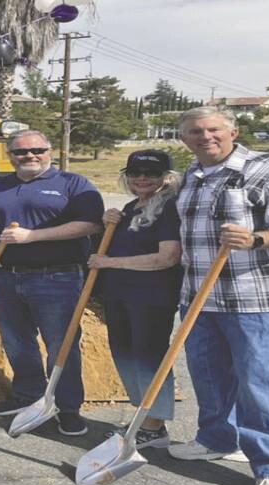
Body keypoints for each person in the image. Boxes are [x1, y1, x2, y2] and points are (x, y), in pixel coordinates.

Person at [168, 107, 269, 485]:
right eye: (195, 132)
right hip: (200, 298)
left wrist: (256, 239)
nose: (206, 136)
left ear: (233, 131)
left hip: (257, 298)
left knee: (262, 384)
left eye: (214, 129)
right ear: (184, 139)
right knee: (209, 376)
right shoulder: (192, 175)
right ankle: (218, 440)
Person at [0, 129, 104, 436]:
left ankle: (67, 407)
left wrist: (32, 236)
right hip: (6, 277)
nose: (29, 156)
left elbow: (90, 224)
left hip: (58, 276)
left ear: (49, 151)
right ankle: (28, 394)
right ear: (9, 155)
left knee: (61, 344)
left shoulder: (72, 184)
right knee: (16, 340)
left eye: (37, 150)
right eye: (20, 152)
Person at [88, 150, 183, 449]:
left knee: (148, 357)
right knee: (125, 355)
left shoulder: (170, 208)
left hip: (151, 298)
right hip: (119, 295)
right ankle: (144, 417)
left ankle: (154, 425)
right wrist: (107, 224)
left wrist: (110, 264)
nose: (142, 178)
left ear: (166, 177)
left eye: (151, 173)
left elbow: (167, 257)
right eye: (135, 173)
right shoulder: (129, 208)